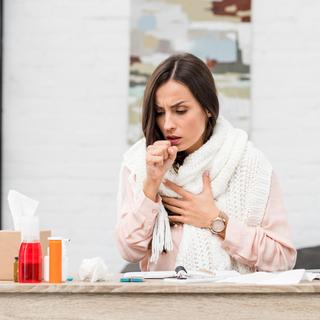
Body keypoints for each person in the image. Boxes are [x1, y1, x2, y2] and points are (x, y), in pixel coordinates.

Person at [116, 53, 297, 273]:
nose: (168, 124)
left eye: (180, 111)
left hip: (233, 305)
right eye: (160, 112)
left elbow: (282, 258)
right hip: (161, 304)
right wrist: (152, 184)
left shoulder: (248, 163)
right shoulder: (139, 165)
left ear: (208, 108)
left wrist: (215, 220)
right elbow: (129, 251)